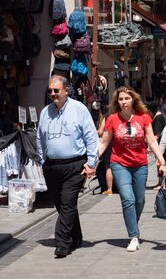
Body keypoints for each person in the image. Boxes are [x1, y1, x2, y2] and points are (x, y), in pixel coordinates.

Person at [98, 86, 166, 252]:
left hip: (140, 164)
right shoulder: (113, 119)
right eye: (121, 99)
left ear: (133, 100)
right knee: (127, 199)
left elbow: (151, 141)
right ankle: (133, 236)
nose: (123, 102)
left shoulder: (143, 117)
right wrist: (92, 161)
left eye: (126, 99)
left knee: (140, 200)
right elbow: (104, 143)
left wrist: (162, 162)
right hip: (119, 164)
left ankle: (132, 224)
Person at [37, 75, 98, 258]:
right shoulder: (45, 112)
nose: (53, 94)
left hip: (75, 165)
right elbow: (40, 139)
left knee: (68, 202)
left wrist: (91, 163)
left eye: (56, 90)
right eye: (50, 91)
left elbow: (91, 137)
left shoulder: (79, 109)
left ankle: (62, 243)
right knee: (63, 205)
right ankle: (76, 236)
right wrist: (42, 162)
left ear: (66, 90)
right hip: (52, 167)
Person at [147, 101, 166, 190]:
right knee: (159, 164)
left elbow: (157, 134)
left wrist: (149, 146)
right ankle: (160, 182)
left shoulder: (158, 117)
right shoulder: (159, 115)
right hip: (161, 145)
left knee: (160, 164)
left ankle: (163, 184)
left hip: (160, 145)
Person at [97, 114, 114, 195]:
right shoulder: (124, 115)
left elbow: (100, 132)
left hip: (109, 143)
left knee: (108, 167)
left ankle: (110, 189)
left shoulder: (108, 116)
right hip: (121, 144)